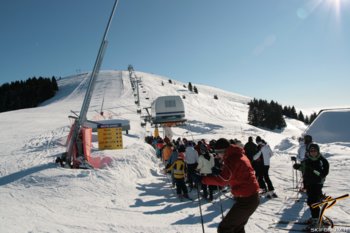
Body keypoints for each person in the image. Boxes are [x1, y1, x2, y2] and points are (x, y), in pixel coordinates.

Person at [202, 138, 260, 233]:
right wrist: (220, 171)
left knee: (224, 229)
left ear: (224, 151)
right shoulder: (237, 154)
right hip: (250, 198)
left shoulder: (232, 159)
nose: (217, 156)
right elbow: (233, 174)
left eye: (217, 153)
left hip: (247, 200)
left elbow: (223, 181)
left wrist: (203, 179)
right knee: (237, 228)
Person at [293, 143, 329, 229]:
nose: (313, 152)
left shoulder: (322, 160)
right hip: (309, 183)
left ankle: (316, 221)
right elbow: (304, 168)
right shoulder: (307, 160)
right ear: (309, 152)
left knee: (313, 202)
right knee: (311, 201)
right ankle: (317, 218)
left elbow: (325, 172)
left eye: (314, 151)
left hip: (317, 184)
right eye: (311, 151)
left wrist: (319, 174)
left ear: (318, 151)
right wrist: (298, 167)